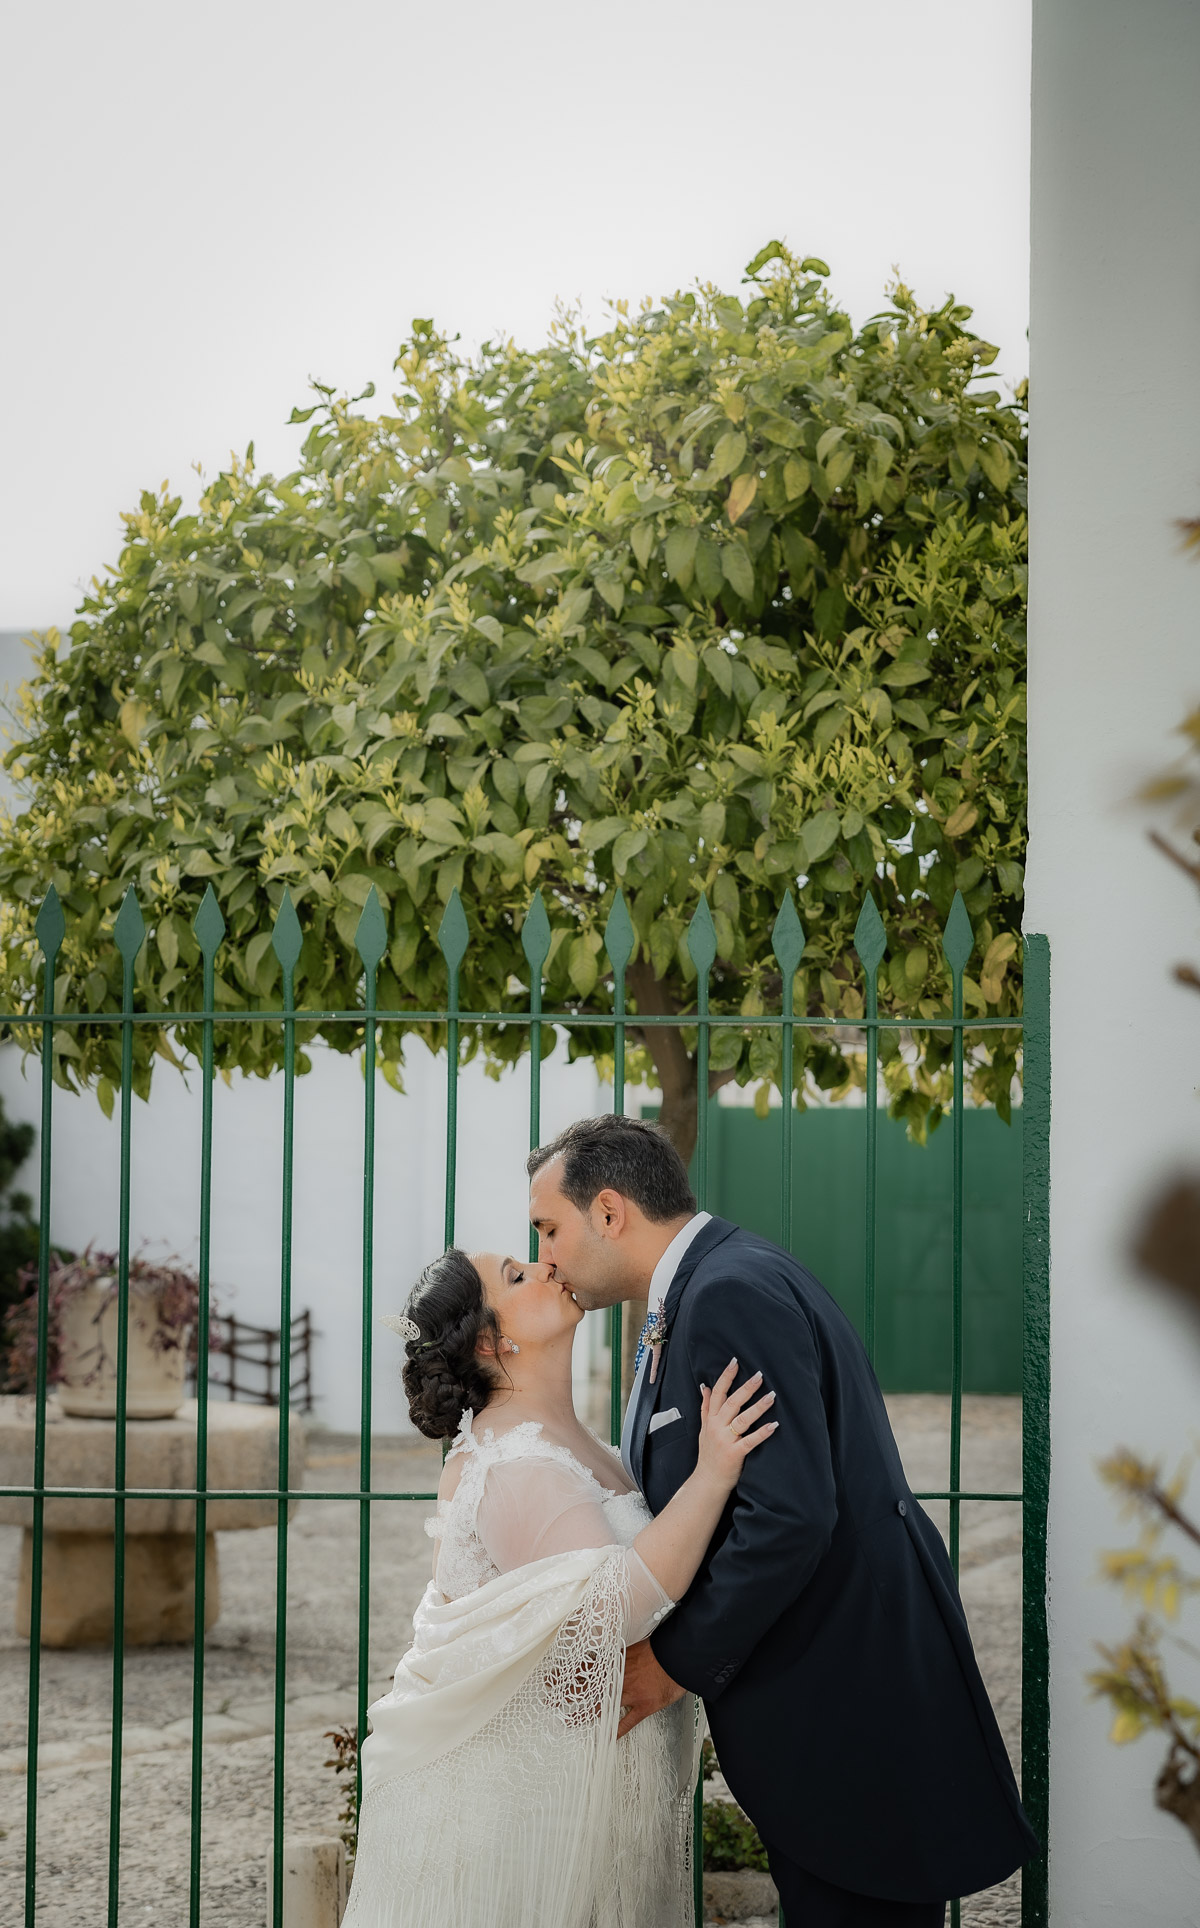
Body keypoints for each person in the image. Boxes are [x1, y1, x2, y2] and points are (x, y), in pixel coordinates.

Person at [528, 1114, 1039, 1928]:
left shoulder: (729, 1292)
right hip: (824, 1695)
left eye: (549, 1227)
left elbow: (791, 1515)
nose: (545, 1255)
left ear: (611, 1212)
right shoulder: (707, 1284)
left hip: (847, 1700)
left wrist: (672, 1663)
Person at [343, 1244, 777, 1928]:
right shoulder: (515, 1460)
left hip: (589, 1776)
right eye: (517, 1275)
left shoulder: (567, 1439)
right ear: (492, 1339)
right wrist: (715, 1473)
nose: (547, 1265)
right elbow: (613, 1609)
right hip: (529, 1809)